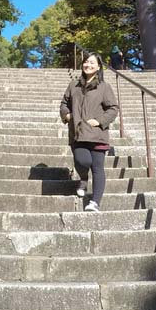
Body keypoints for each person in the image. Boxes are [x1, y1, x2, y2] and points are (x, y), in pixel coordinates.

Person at [59, 52, 119, 211]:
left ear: (98, 67)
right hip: (77, 131)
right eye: (86, 62)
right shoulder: (74, 85)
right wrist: (66, 114)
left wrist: (100, 121)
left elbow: (113, 109)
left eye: (92, 63)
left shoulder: (104, 87)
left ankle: (95, 202)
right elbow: (64, 103)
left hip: (97, 133)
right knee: (82, 161)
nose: (88, 65)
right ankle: (84, 178)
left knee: (98, 167)